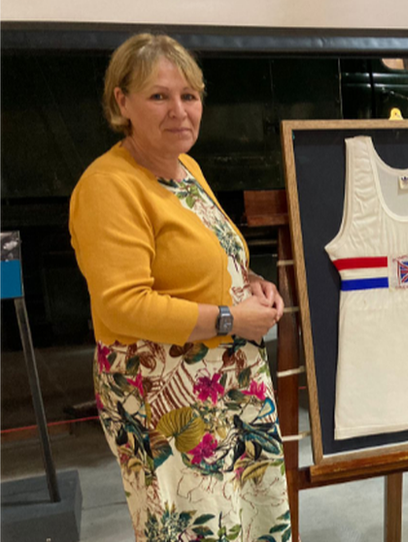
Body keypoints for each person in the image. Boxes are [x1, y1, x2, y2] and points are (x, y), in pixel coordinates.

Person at [69, 33, 291, 541]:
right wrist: (232, 319)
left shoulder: (185, 169)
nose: (179, 111)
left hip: (228, 388)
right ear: (122, 102)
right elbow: (123, 305)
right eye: (158, 96)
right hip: (167, 398)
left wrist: (253, 283)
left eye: (189, 96)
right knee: (197, 528)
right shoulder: (108, 186)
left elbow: (214, 258)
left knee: (250, 520)